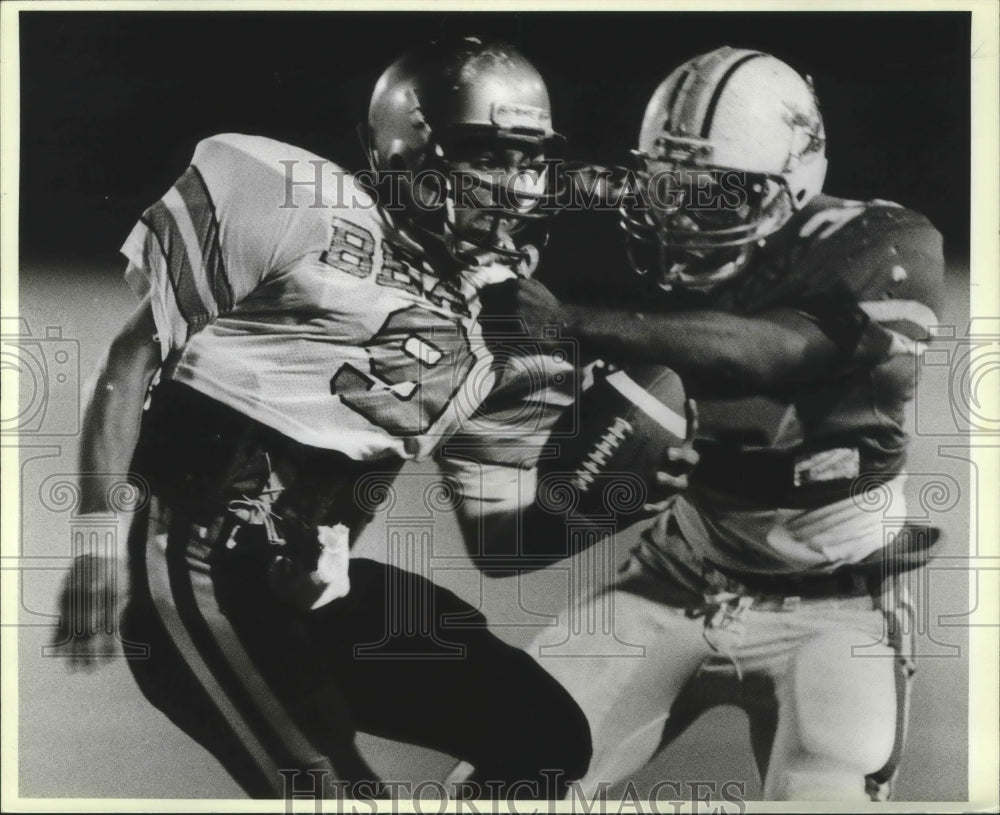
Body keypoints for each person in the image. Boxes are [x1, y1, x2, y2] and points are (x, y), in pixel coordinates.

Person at [51, 36, 592, 800]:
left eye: (526, 157)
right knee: (337, 795)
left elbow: (501, 538)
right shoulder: (299, 201)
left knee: (545, 736)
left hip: (316, 588)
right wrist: (99, 541)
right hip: (199, 566)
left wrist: (610, 486)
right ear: (411, 146)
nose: (511, 181)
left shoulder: (509, 319)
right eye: (485, 154)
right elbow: (131, 357)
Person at [477, 46, 945, 801]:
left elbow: (771, 352)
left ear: (793, 184)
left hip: (836, 605)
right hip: (678, 573)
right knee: (499, 782)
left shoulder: (885, 244)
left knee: (821, 792)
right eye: (671, 186)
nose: (686, 215)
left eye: (718, 192)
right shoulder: (640, 269)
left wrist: (572, 324)